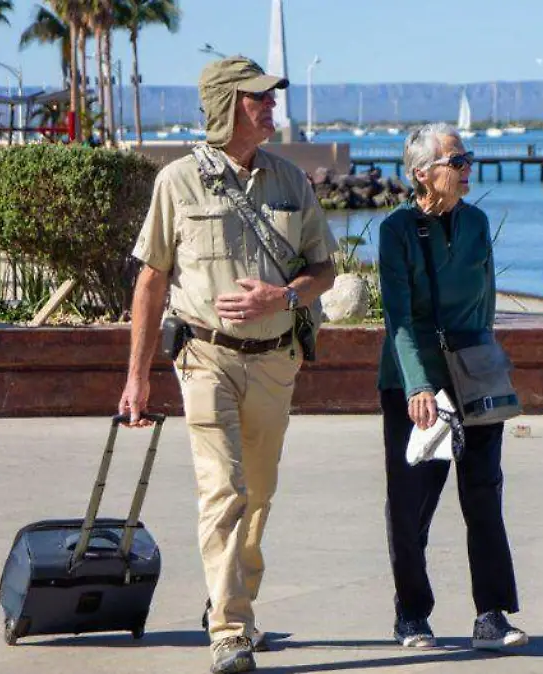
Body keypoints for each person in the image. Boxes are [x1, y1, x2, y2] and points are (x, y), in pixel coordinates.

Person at [118, 56, 337, 674]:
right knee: (225, 489)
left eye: (271, 98)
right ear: (226, 106)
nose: (271, 107)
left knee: (259, 493)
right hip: (204, 357)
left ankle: (227, 599)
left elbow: (325, 269)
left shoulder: (292, 182)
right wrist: (136, 377)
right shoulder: (177, 182)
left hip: (275, 363)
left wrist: (285, 296)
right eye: (258, 98)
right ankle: (231, 634)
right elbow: (151, 280)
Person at [377, 123, 528, 652]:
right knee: (412, 504)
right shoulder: (396, 231)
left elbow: (484, 302)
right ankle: (411, 615)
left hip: (474, 373)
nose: (468, 170)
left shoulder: (477, 222)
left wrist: (484, 360)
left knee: (484, 494)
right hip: (413, 381)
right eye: (457, 162)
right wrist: (419, 384)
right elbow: (397, 317)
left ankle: (492, 615)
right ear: (423, 174)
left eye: (468, 160)